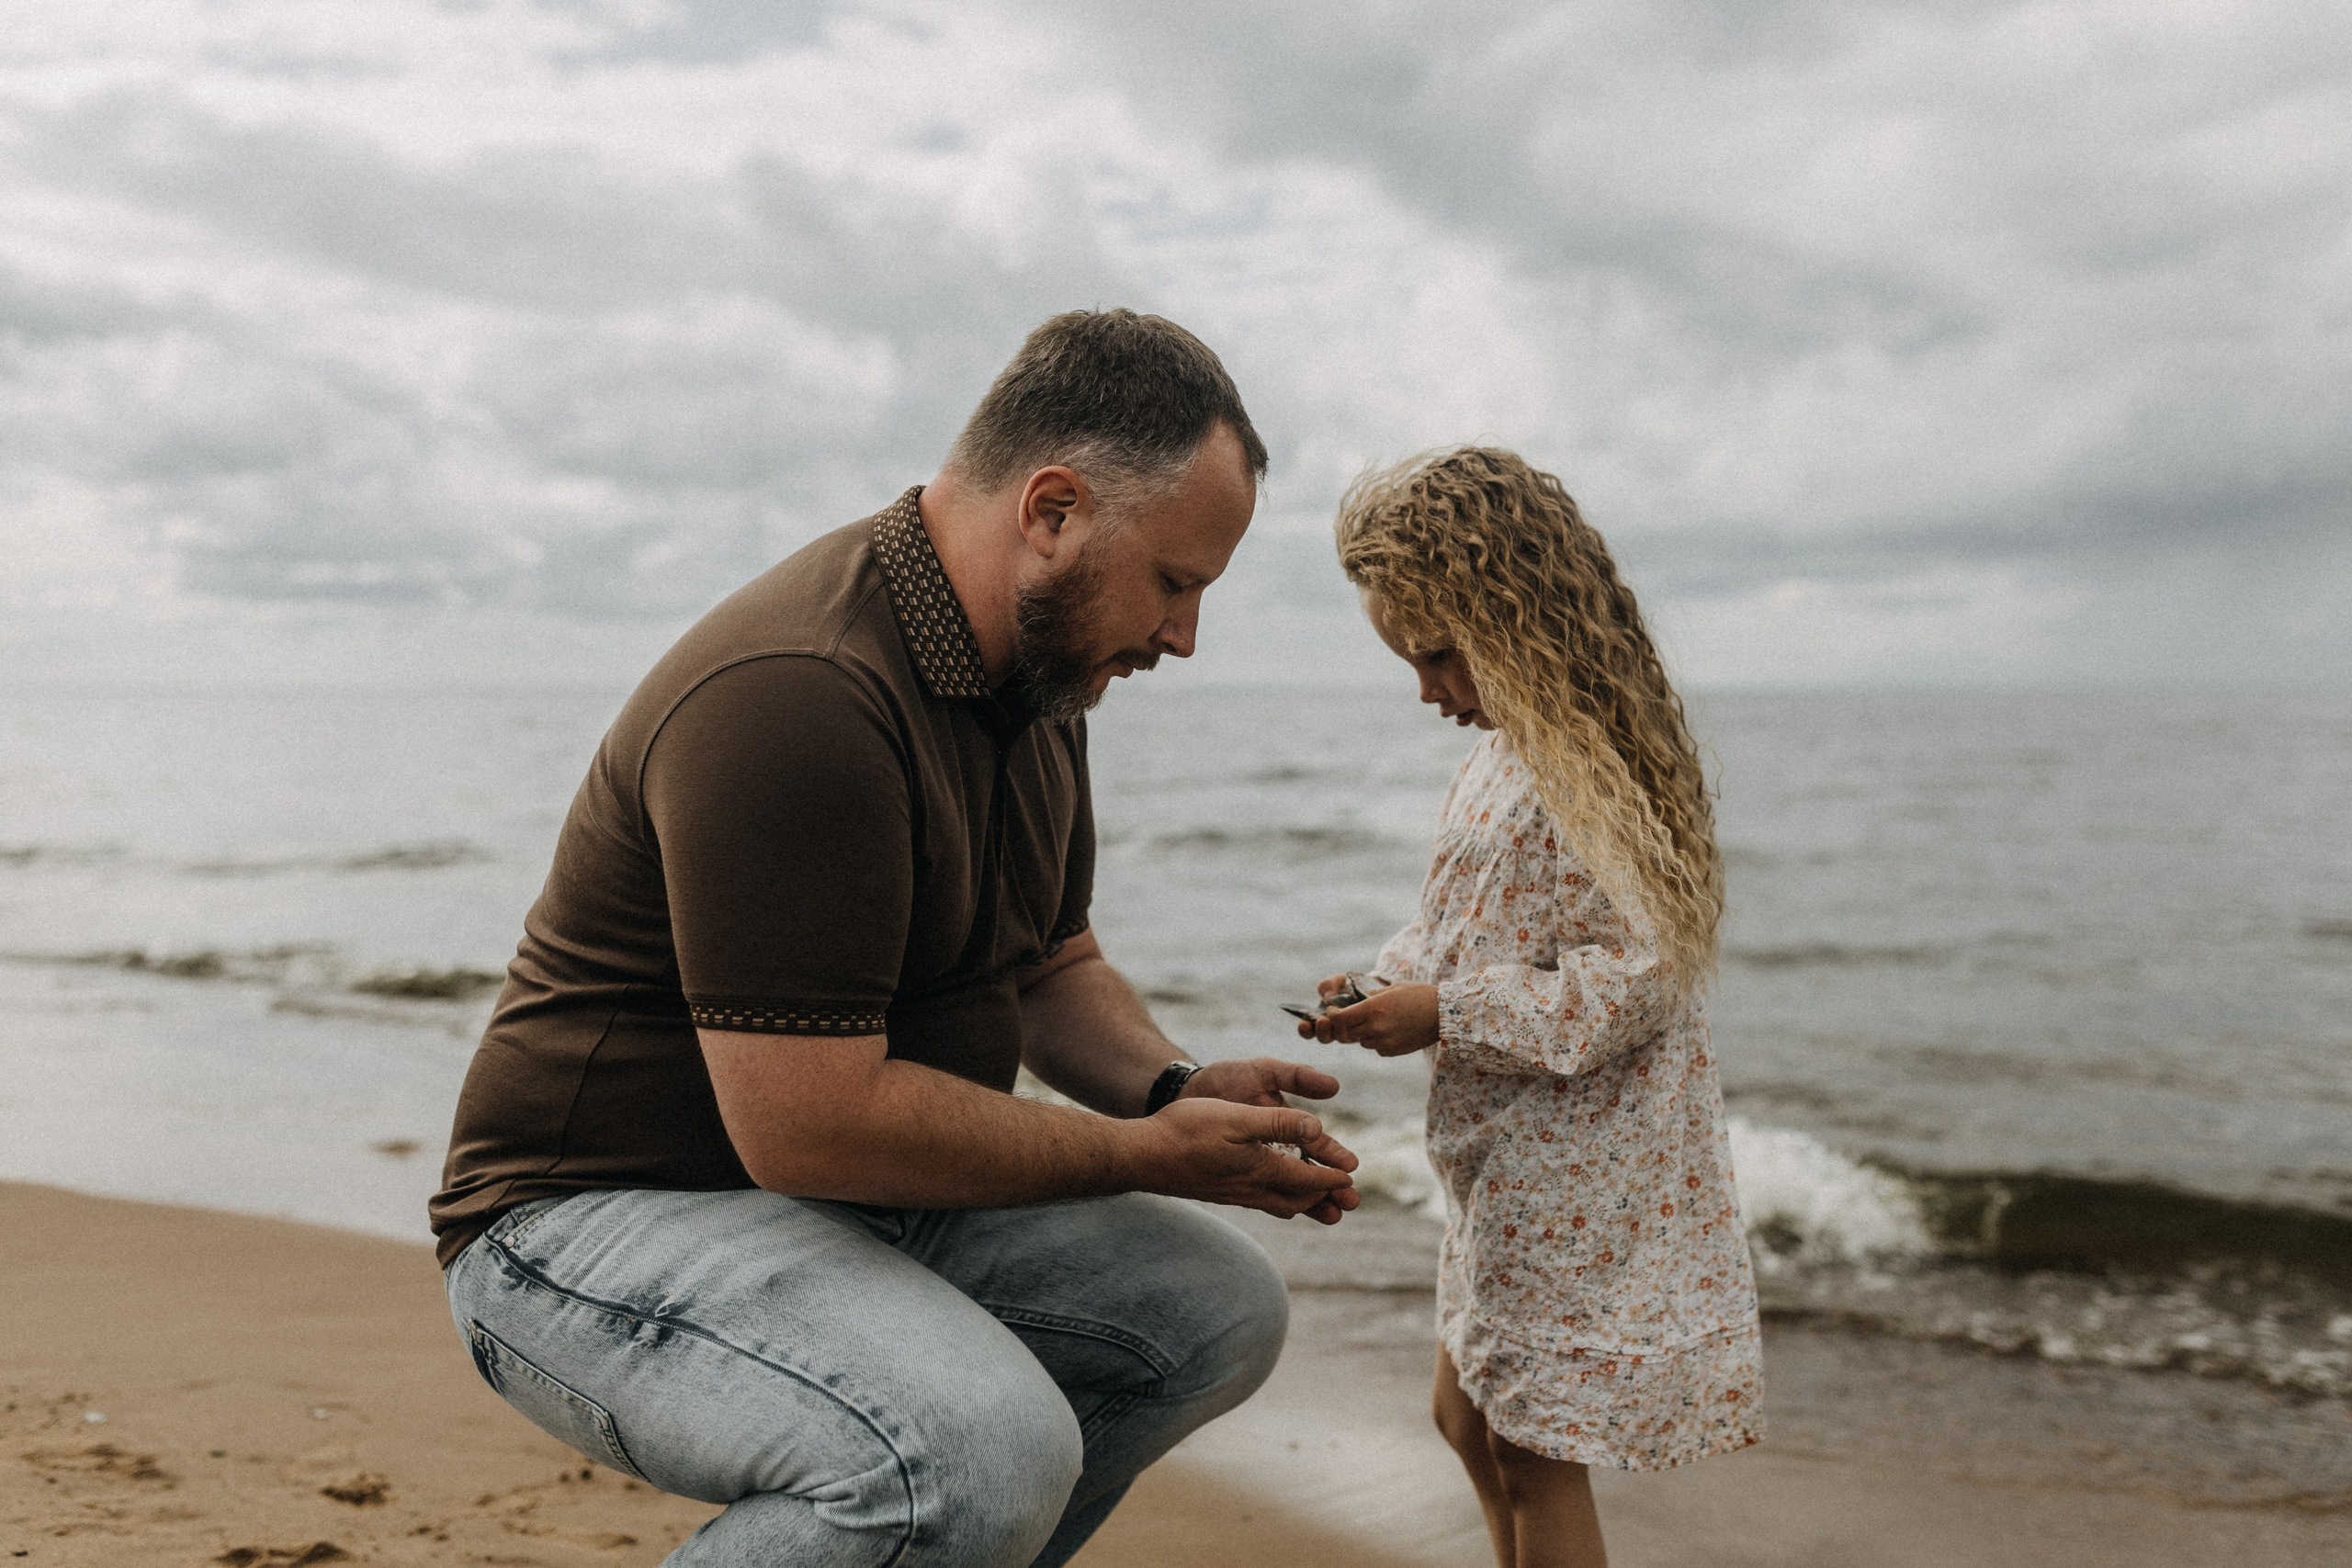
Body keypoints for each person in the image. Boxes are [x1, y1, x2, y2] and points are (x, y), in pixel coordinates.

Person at [430, 309, 1362, 1568]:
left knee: (1211, 1310)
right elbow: (808, 1118)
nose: (1183, 636)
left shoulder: (1041, 673)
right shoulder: (801, 691)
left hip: (842, 1196)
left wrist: (1172, 1087)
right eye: (1176, 580)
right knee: (975, 1448)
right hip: (580, 1221)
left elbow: (1052, 963)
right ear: (1052, 512)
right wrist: (1140, 1151)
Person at [1296, 447, 1762, 1568]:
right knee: (1464, 1418)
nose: (1426, 691)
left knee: (1529, 1450)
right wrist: (1385, 987)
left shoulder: (1601, 767)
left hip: (1585, 1176)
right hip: (1501, 1173)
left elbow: (1640, 981)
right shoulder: (1502, 758)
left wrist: (1447, 1013)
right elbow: (1461, 927)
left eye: (1439, 656)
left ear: (1518, 619)